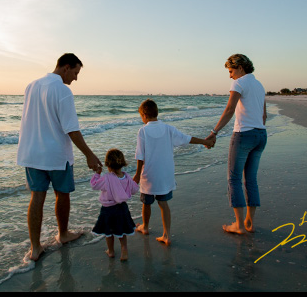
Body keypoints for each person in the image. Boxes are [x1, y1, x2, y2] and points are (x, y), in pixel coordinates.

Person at [17, 53, 103, 261]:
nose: (75, 78)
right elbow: (71, 128)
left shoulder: (31, 85)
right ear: (66, 67)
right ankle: (63, 234)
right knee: (62, 194)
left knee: (37, 197)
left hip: (32, 152)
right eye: (75, 72)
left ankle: (35, 248)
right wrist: (89, 155)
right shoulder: (63, 90)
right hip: (56, 154)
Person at [133, 99, 214, 245]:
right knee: (163, 204)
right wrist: (205, 142)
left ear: (144, 115)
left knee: (146, 203)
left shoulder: (143, 131)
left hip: (149, 176)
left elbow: (140, 156)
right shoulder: (168, 129)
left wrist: (137, 174)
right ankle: (166, 235)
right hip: (165, 175)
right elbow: (187, 139)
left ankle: (145, 226)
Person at [206, 54, 267, 235]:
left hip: (244, 135)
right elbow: (263, 115)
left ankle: (239, 225)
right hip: (261, 134)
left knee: (234, 179)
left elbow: (229, 110)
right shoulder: (259, 85)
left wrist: (214, 132)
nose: (230, 76)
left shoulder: (239, 83)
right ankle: (249, 223)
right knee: (251, 179)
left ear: (240, 67)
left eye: (231, 71)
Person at [90, 149, 140, 261]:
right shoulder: (126, 177)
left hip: (108, 210)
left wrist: (97, 174)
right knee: (121, 231)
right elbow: (135, 189)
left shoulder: (106, 178)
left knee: (109, 232)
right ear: (122, 162)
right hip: (122, 208)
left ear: (107, 164)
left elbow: (94, 185)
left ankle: (111, 251)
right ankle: (124, 250)